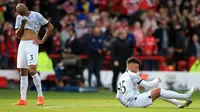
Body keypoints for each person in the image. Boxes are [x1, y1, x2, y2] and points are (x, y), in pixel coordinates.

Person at [13, 3, 54, 106]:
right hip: (22, 44)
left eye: (24, 12)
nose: (24, 14)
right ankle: (23, 99)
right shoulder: (19, 17)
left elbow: (50, 27)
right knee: (23, 71)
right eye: (21, 13)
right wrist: (22, 23)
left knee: (32, 70)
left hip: (32, 44)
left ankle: (40, 97)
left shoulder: (37, 15)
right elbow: (18, 35)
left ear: (27, 8)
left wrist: (43, 40)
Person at [116, 57, 195, 108]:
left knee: (157, 92)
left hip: (132, 102)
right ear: (131, 67)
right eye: (137, 67)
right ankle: (185, 96)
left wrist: (127, 105)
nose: (138, 70)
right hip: (135, 101)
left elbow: (118, 96)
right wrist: (156, 80)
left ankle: (178, 103)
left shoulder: (122, 76)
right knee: (158, 91)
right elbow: (147, 85)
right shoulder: (132, 75)